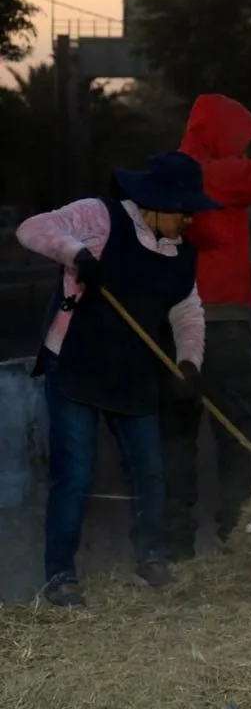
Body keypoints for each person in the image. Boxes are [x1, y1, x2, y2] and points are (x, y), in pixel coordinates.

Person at [17, 151, 217, 608]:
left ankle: (151, 556)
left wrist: (188, 363)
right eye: (183, 209)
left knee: (150, 471)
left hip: (134, 373)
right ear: (156, 202)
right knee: (75, 473)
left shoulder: (181, 254)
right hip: (78, 366)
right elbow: (31, 229)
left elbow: (188, 312)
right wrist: (77, 254)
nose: (189, 218)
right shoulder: (100, 217)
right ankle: (60, 576)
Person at [161, 95, 251, 560]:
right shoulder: (216, 175)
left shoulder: (166, 176)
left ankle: (174, 547)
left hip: (167, 331)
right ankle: (238, 538)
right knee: (239, 433)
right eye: (240, 141)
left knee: (175, 439)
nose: (243, 151)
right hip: (219, 325)